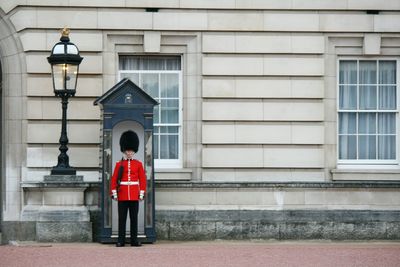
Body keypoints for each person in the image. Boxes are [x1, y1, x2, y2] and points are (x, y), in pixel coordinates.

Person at [110, 130, 146, 247]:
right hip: (123, 194)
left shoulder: (138, 164)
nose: (129, 153)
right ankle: (121, 240)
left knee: (134, 219)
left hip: (134, 194)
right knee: (122, 219)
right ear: (125, 151)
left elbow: (143, 180)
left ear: (134, 151)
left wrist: (141, 193)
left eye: (131, 151)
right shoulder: (119, 164)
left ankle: (134, 240)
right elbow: (114, 179)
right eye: (127, 151)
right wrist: (114, 193)